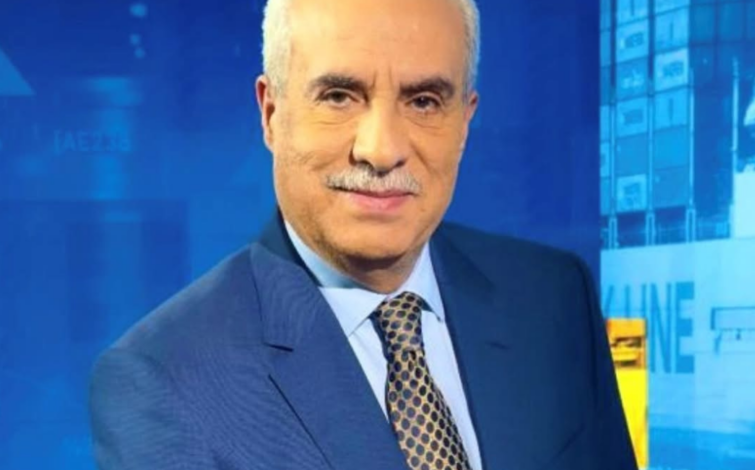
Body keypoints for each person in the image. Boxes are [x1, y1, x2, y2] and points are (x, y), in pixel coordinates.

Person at [89, 0, 636, 469]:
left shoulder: (554, 294)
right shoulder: (163, 379)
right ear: (272, 113)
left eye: (423, 101)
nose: (381, 149)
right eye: (339, 96)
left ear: (464, 122)